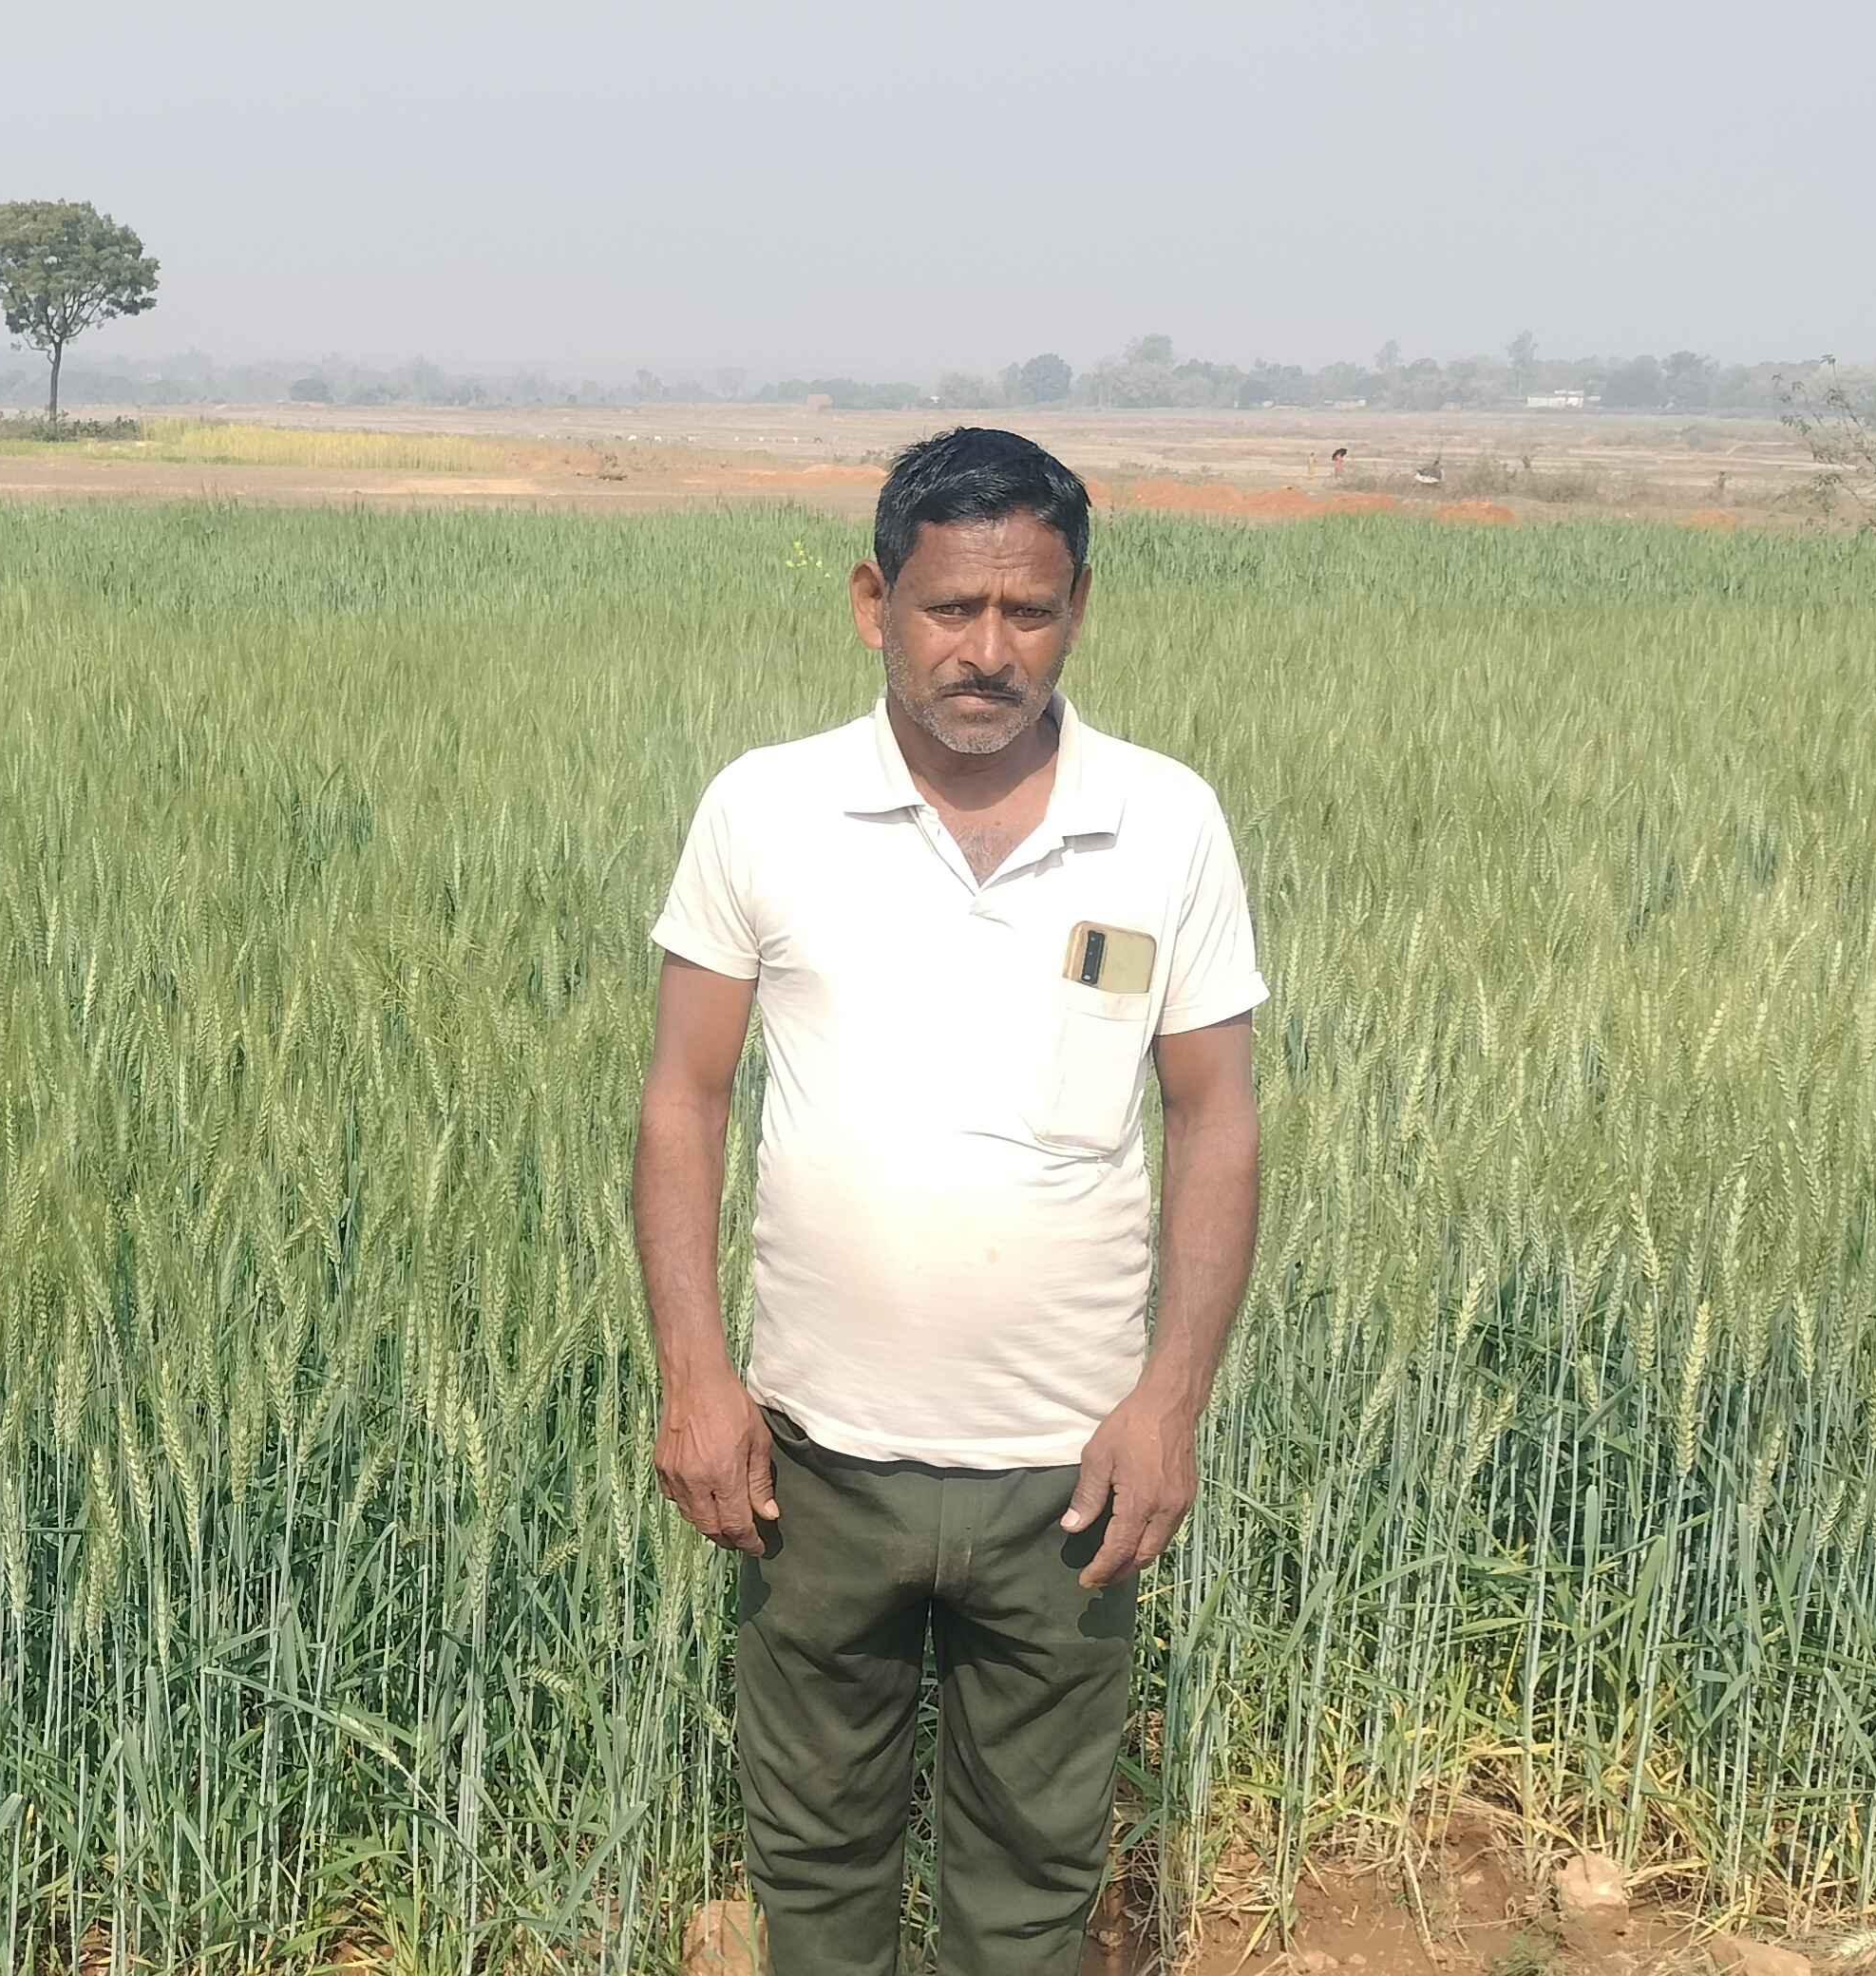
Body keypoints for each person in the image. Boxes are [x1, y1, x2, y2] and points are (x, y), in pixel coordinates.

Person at [633, 428, 1267, 1976]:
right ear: (876, 603)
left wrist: (1170, 1403)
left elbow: (1216, 1119)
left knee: (1034, 1888)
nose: (989, 650)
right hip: (813, 1464)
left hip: (1069, 1474)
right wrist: (697, 1377)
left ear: (1079, 609)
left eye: (1029, 611)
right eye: (951, 608)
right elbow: (683, 1101)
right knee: (815, 1870)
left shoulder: (1165, 821)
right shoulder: (766, 809)